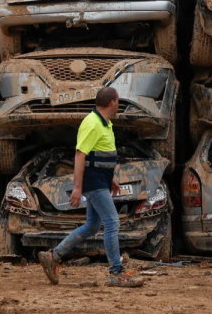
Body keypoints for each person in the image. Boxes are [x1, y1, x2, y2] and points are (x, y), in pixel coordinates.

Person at [39, 87, 144, 288]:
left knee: (92, 226)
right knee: (112, 223)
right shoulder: (92, 123)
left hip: (100, 181)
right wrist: (77, 187)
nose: (119, 104)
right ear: (112, 103)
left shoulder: (105, 123)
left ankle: (53, 256)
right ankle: (116, 273)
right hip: (93, 183)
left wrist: (110, 178)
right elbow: (80, 155)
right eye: (118, 101)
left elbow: (102, 156)